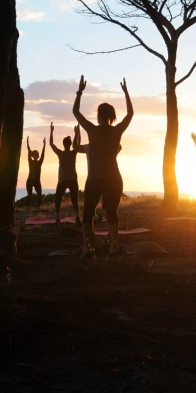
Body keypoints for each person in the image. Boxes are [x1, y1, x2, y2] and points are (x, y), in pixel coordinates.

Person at [73, 75, 133, 258]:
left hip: (95, 179)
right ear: (112, 117)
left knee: (89, 213)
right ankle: (113, 244)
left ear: (99, 115)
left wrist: (80, 92)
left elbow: (76, 112)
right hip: (114, 178)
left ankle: (85, 247)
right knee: (112, 212)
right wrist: (126, 93)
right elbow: (130, 114)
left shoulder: (92, 130)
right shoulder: (116, 131)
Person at [49, 123, 82, 225]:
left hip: (62, 180)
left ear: (63, 144)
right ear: (69, 143)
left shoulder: (60, 153)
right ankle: (77, 217)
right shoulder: (73, 153)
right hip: (72, 179)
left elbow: (51, 144)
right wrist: (77, 132)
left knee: (58, 198)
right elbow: (77, 144)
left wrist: (51, 131)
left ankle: (57, 218)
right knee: (74, 200)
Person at [25, 136, 46, 212]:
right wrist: (27, 143)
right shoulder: (30, 161)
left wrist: (44, 145)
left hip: (37, 181)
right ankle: (27, 208)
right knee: (29, 195)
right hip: (30, 180)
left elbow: (43, 153)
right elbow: (28, 151)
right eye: (35, 154)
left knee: (39, 194)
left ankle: (39, 208)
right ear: (33, 155)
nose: (36, 155)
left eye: (37, 154)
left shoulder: (39, 162)